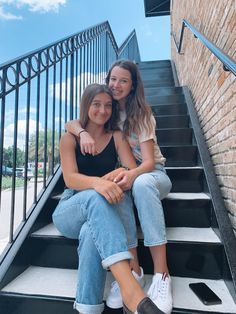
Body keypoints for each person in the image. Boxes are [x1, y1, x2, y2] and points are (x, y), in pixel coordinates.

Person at [65, 61, 173, 314]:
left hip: (151, 171)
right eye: (113, 79)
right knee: (118, 187)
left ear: (133, 85)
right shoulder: (108, 112)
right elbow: (74, 122)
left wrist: (130, 173)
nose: (116, 85)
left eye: (123, 80)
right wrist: (81, 132)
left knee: (140, 183)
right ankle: (134, 271)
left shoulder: (142, 113)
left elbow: (147, 162)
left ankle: (162, 274)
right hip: (126, 173)